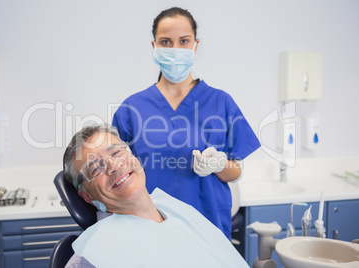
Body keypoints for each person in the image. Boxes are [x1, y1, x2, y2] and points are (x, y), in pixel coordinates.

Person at [112, 7, 261, 239]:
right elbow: (118, 175)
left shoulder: (220, 102)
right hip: (150, 230)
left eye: (183, 41)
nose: (175, 49)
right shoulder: (132, 109)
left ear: (195, 45)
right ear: (154, 47)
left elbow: (235, 170)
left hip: (207, 228)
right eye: (166, 41)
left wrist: (220, 165)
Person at [63, 124, 249, 268]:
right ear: (86, 196)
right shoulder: (92, 256)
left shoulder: (175, 209)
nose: (114, 166)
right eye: (95, 168)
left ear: (133, 156)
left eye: (117, 152)